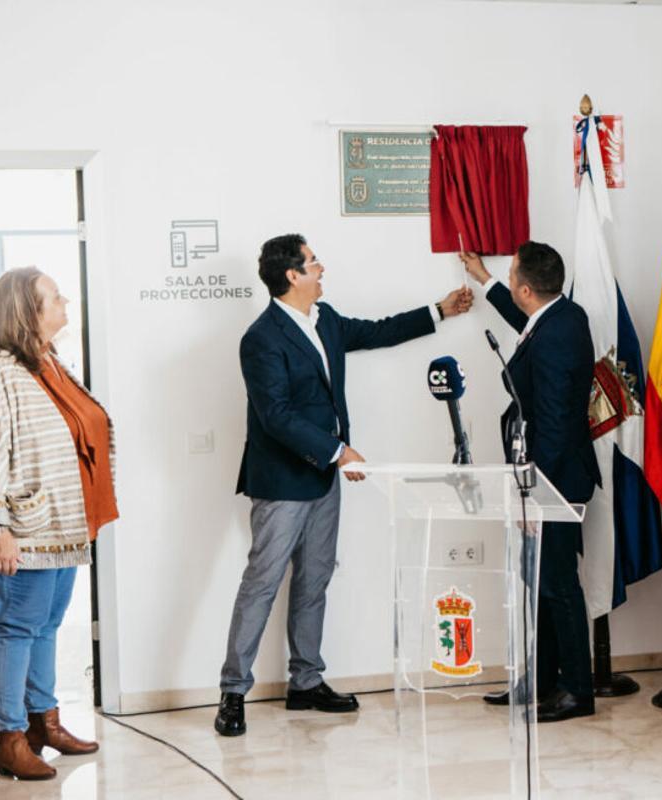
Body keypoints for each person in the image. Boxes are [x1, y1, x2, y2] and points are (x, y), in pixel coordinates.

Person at [215, 234, 473, 736]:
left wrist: (438, 311)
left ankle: (306, 683)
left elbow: (377, 332)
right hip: (283, 482)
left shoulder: (325, 319)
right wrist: (339, 451)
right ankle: (232, 693)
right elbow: (276, 416)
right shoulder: (261, 338)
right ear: (292, 275)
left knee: (315, 581)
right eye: (313, 262)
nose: (321, 268)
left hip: (322, 480)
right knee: (261, 585)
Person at [0, 267, 117, 780]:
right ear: (27, 310)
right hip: (21, 528)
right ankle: (9, 738)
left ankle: (42, 722)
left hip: (62, 523)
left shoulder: (46, 361)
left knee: (47, 626)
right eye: (55, 297)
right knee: (16, 628)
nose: (65, 302)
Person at [460, 243, 600, 723]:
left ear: (525, 289)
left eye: (511, 276)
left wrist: (535, 496)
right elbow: (526, 322)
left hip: (553, 482)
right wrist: (484, 279)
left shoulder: (556, 331)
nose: (509, 280)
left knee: (557, 585)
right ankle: (542, 681)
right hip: (546, 477)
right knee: (539, 584)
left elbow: (556, 424)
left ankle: (576, 690)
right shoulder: (560, 316)